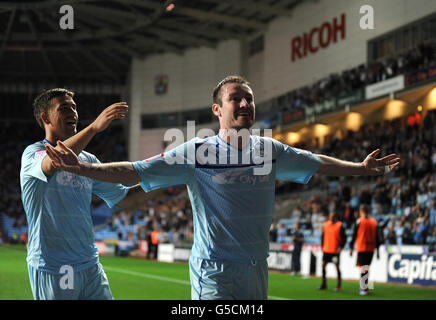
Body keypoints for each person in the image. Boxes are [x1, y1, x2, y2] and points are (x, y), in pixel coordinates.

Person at [45, 75, 400, 300]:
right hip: (214, 272)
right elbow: (136, 171)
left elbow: (316, 162)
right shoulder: (196, 152)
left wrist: (360, 168)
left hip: (255, 269)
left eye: (249, 98)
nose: (245, 103)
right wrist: (86, 169)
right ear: (218, 109)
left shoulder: (268, 149)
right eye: (236, 98)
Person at [20, 88, 150, 300]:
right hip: (56, 266)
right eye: (64, 108)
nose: (73, 112)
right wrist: (94, 128)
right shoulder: (33, 154)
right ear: (45, 118)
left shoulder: (88, 160)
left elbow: (126, 200)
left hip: (90, 264)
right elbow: (56, 160)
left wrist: (169, 181)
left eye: (74, 107)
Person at [349, 204, 382, 296]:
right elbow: (378, 238)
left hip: (362, 247)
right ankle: (365, 287)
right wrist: (378, 251)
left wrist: (351, 247)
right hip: (371, 249)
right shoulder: (374, 222)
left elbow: (354, 235)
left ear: (361, 211)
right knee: (366, 268)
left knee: (363, 268)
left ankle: (364, 288)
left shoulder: (359, 221)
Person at [319, 212, 346, 291]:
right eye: (330, 216)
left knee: (337, 267)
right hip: (326, 250)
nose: (331, 218)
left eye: (333, 216)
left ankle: (339, 285)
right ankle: (324, 284)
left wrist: (341, 247)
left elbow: (344, 238)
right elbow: (323, 236)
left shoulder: (340, 226)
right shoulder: (326, 224)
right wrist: (322, 246)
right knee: (323, 265)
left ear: (336, 217)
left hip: (335, 251)